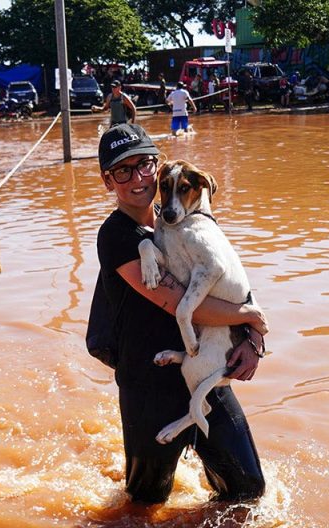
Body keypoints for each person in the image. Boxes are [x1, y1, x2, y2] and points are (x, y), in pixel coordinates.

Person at [94, 123, 267, 504]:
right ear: (107, 181)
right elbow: (181, 305)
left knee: (248, 490)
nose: (138, 178)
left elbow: (229, 274)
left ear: (159, 168)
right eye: (122, 171)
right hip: (149, 387)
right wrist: (252, 318)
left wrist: (254, 339)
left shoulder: (178, 217)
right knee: (146, 504)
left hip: (204, 370)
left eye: (144, 165)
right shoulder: (117, 236)